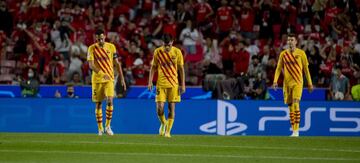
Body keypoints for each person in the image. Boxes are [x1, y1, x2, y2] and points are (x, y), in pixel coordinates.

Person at [272, 33, 313, 137]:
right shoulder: (283, 54)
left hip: (298, 82)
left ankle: (297, 130)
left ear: (296, 42)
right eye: (288, 40)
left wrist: (310, 83)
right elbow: (278, 68)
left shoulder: (301, 53)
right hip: (287, 84)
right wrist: (275, 81)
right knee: (290, 107)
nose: (290, 42)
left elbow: (306, 70)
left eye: (292, 40)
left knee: (296, 104)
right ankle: (294, 130)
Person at [87, 29, 126, 136]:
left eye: (102, 38)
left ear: (105, 37)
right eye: (99, 39)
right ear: (96, 38)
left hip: (109, 78)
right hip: (97, 80)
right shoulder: (91, 48)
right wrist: (101, 73)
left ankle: (108, 126)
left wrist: (122, 78)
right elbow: (91, 65)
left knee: (110, 100)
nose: (101, 40)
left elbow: (117, 64)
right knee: (98, 103)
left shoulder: (111, 47)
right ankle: (100, 128)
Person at [148, 34, 185, 138]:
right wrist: (150, 81)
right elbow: (153, 67)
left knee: (171, 108)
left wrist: (183, 84)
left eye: (168, 45)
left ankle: (168, 132)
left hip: (173, 84)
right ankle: (164, 123)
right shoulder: (158, 52)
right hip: (161, 84)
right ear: (162, 43)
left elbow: (181, 69)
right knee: (159, 108)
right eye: (165, 45)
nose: (167, 47)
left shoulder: (177, 52)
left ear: (172, 42)